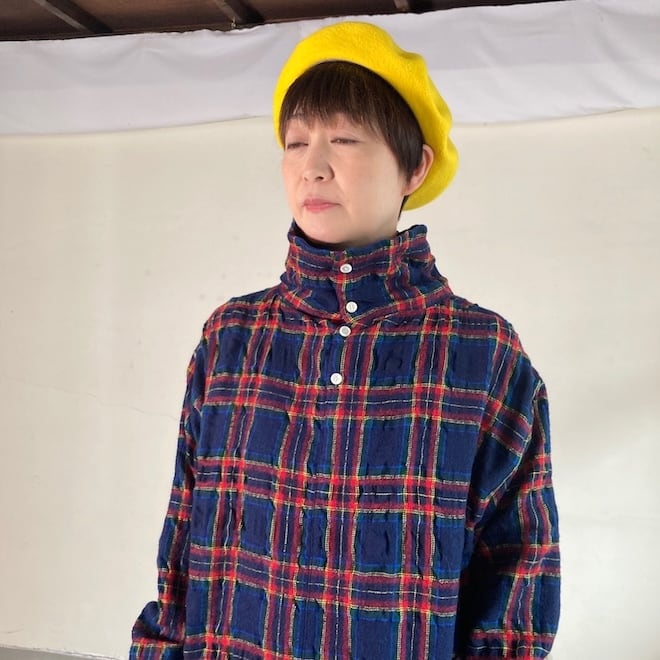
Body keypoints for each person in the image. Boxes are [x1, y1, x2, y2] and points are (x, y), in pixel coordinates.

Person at [130, 21, 560, 660]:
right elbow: (182, 544)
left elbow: (519, 578)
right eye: (296, 142)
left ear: (415, 166)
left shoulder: (482, 353)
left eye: (345, 139)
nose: (313, 167)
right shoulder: (231, 338)